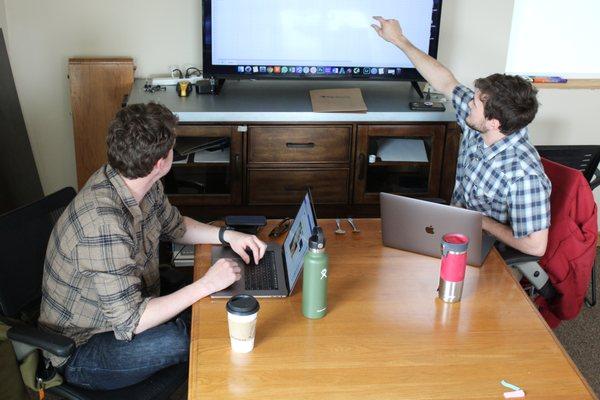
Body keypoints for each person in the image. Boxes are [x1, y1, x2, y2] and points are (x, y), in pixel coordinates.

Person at [38, 102, 267, 391]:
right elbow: (132, 321)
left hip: (128, 308)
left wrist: (228, 235)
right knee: (195, 334)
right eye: (173, 148)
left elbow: (176, 226)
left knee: (210, 310)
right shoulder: (103, 224)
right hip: (81, 348)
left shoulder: (136, 179)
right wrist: (207, 284)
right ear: (161, 163)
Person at [371, 17, 550, 257]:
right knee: (387, 242)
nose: (469, 104)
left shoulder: (523, 174)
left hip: (486, 251)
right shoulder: (483, 125)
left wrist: (481, 222)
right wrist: (399, 40)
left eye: (475, 102)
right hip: (455, 226)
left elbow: (535, 246)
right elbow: (446, 82)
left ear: (494, 122)